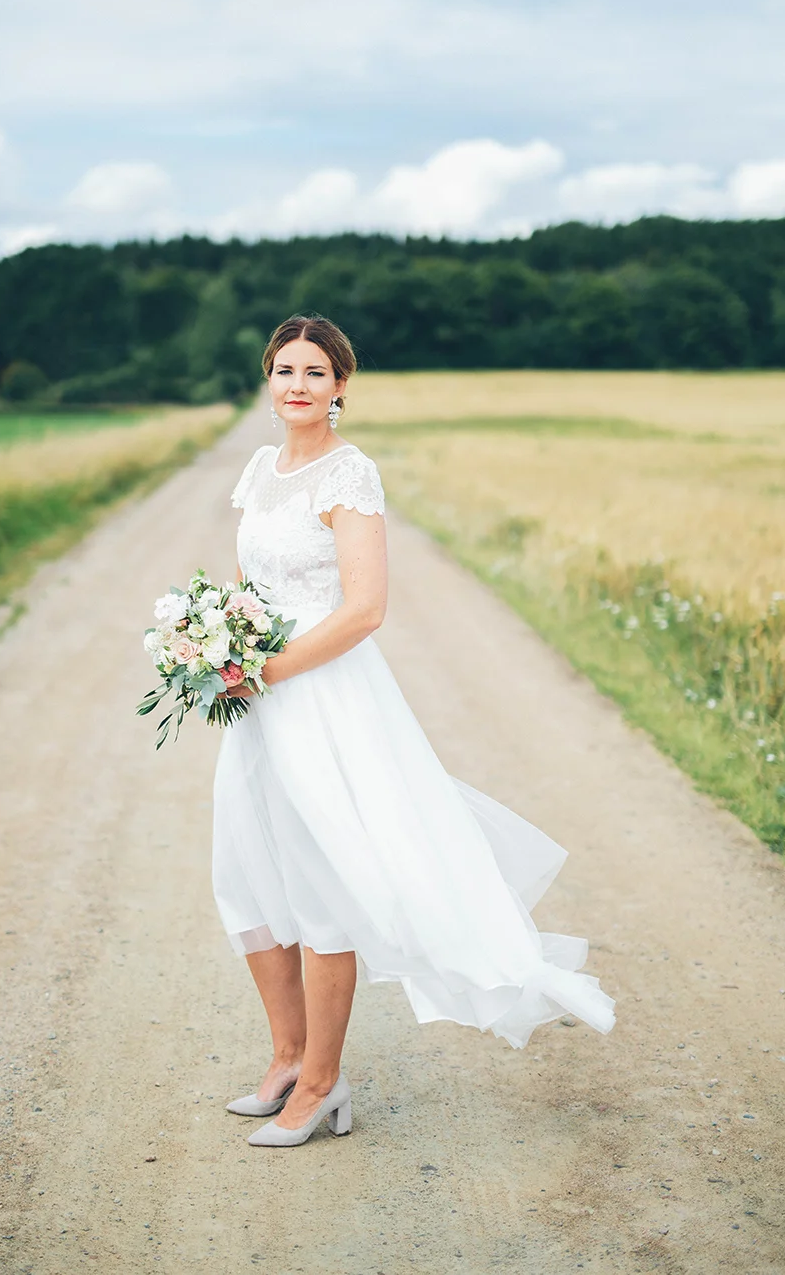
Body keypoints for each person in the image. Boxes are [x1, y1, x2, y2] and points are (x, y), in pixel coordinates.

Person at [213, 314, 616, 1149]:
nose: (297, 384)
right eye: (284, 369)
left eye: (315, 372)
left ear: (341, 387)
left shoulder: (349, 472)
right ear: (268, 379)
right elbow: (250, 584)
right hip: (255, 704)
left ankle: (323, 1083)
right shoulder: (261, 469)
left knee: (325, 886)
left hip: (320, 696)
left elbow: (364, 609)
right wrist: (216, 641)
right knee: (248, 876)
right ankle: (287, 1055)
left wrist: (271, 667)